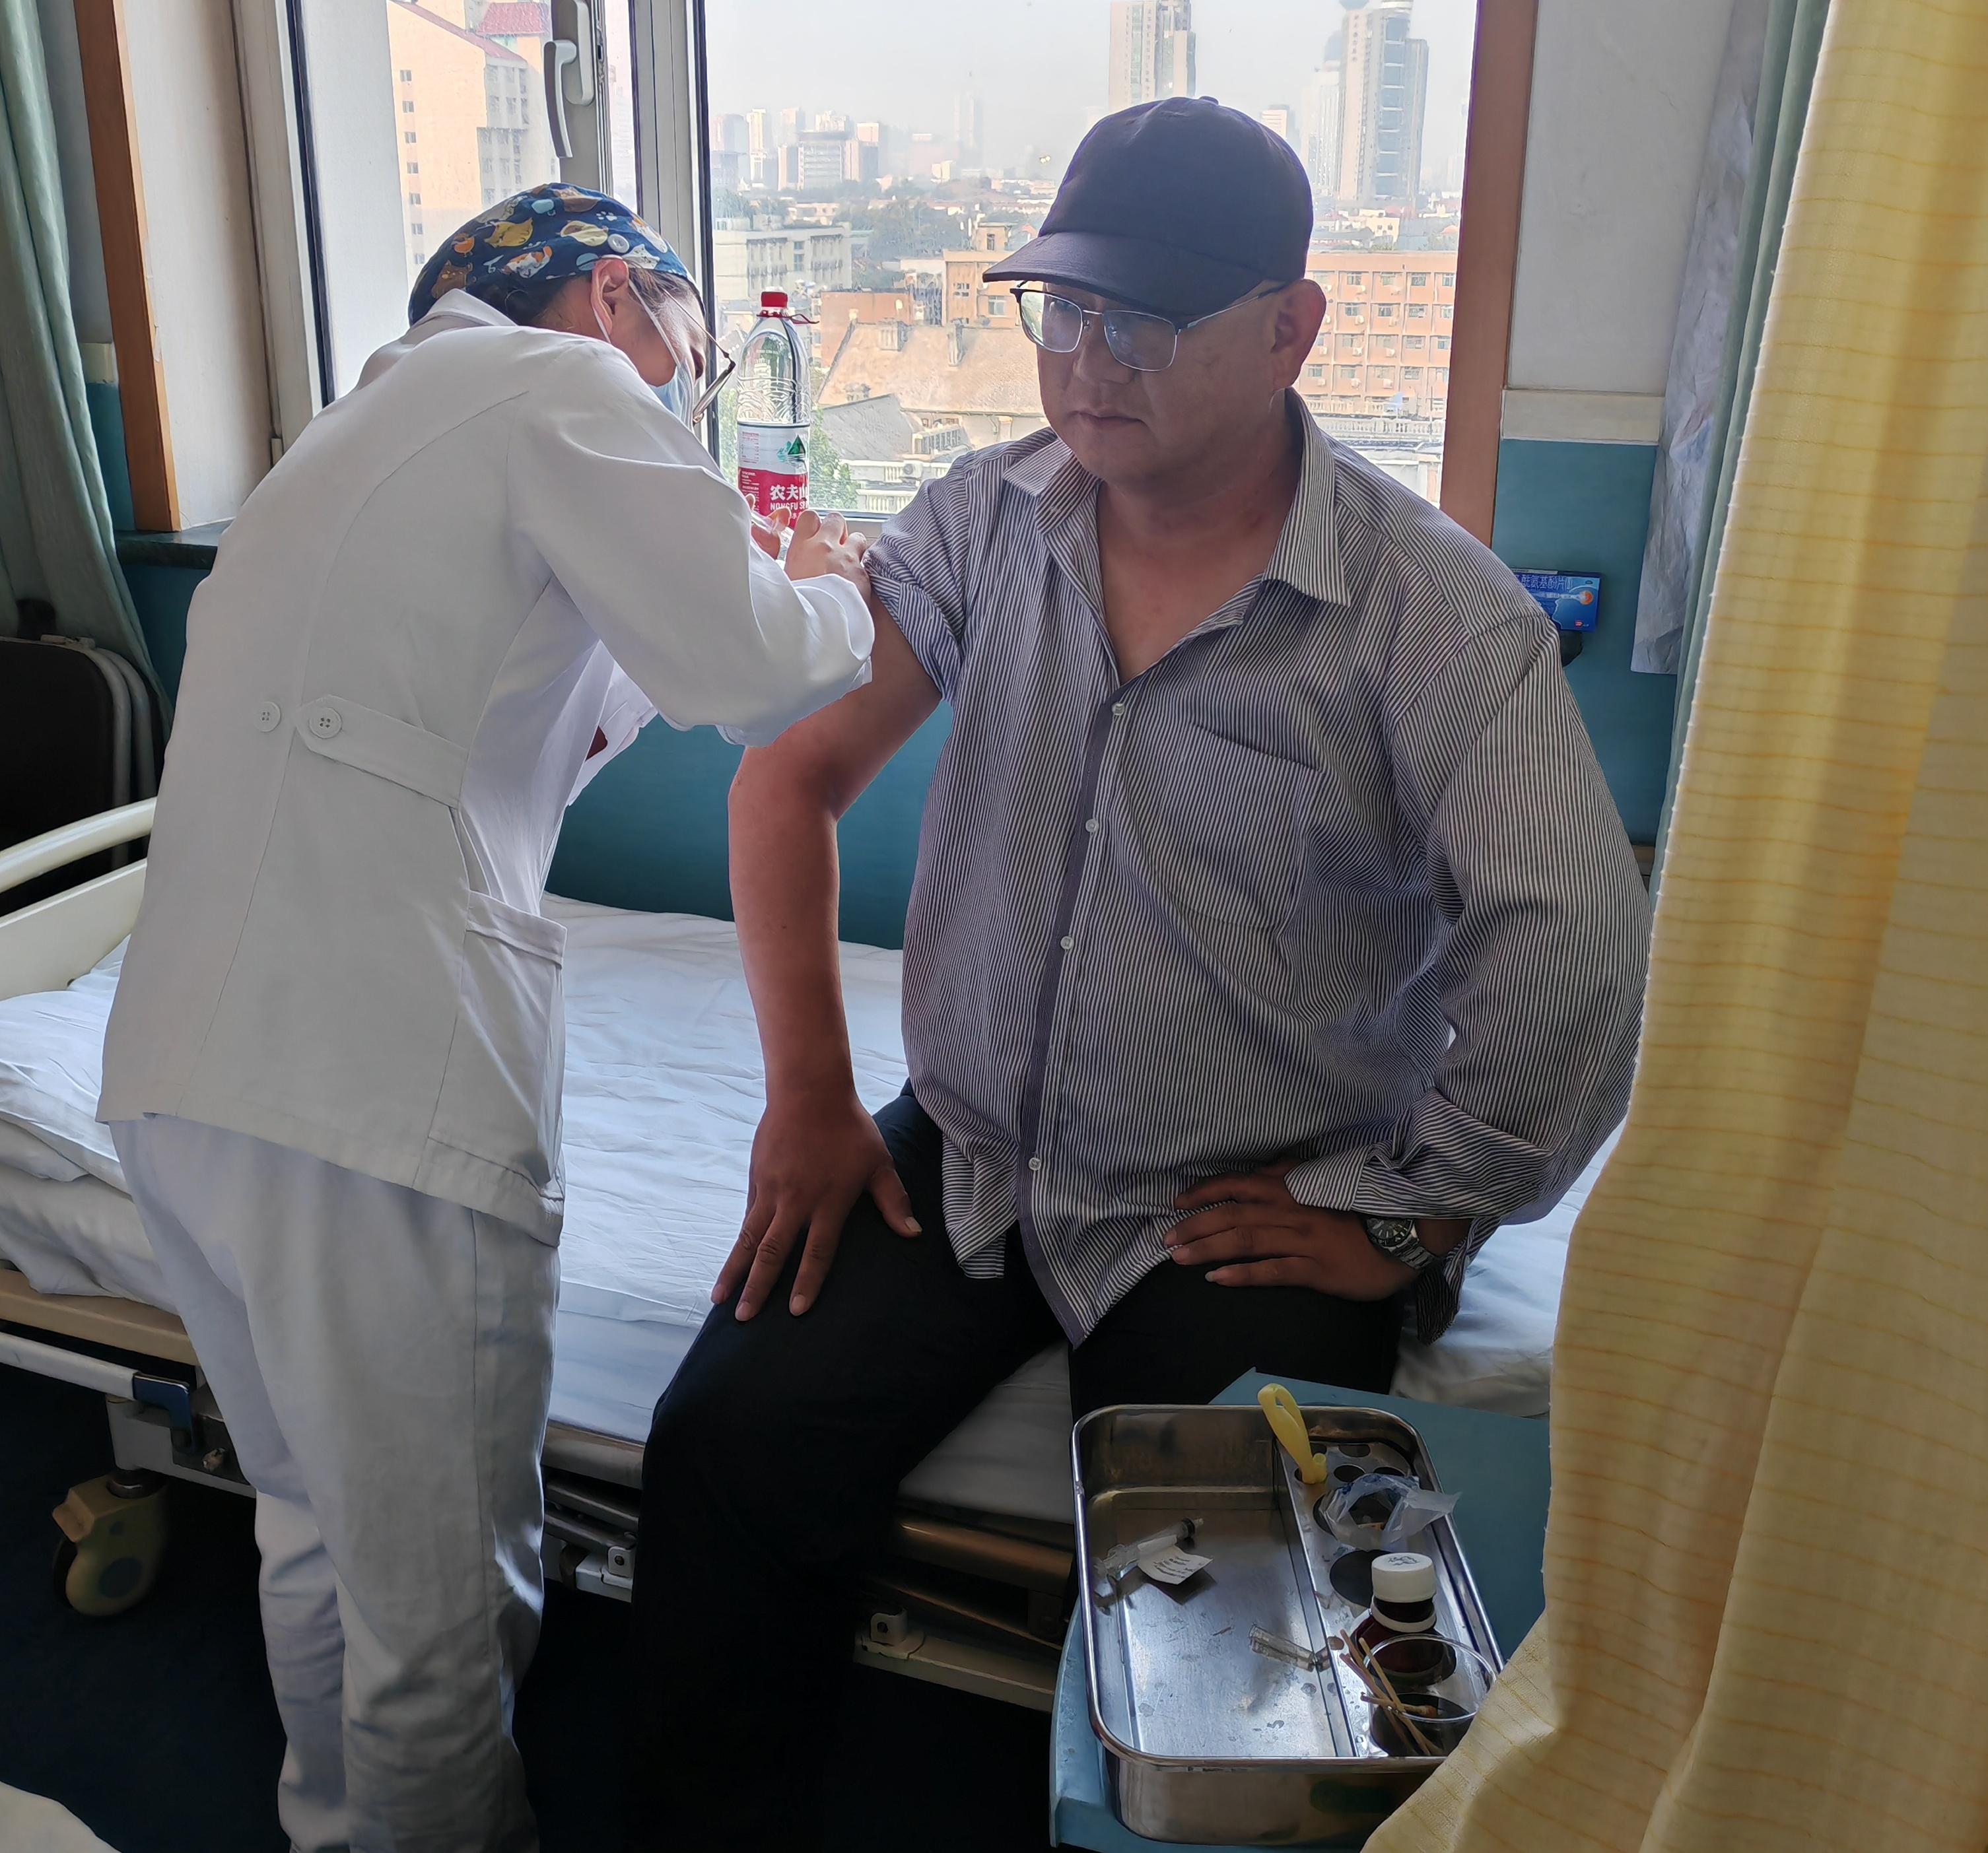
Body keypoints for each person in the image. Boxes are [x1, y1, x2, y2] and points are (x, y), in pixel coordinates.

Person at [633, 102, 1650, 1848]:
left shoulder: (1430, 619)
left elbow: (1569, 948)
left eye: (1152, 319)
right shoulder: (984, 523)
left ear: (1292, 327)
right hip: (969, 1150)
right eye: (1066, 310)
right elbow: (788, 781)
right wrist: (809, 1100)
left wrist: (1417, 1218)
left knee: (1236, 1621)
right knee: (725, 1439)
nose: (1091, 360)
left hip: (1242, 1200)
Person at [96, 185, 874, 1853]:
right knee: (443, 1600)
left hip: (184, 1074)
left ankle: (335, 1834)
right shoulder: (561, 387)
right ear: (612, 297)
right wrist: (828, 584)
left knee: (314, 1524)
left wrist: (731, 589)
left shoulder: (359, 436)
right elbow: (762, 670)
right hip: (369, 1090)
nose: (691, 389)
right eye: (691, 350)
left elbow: (549, 708)